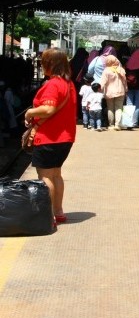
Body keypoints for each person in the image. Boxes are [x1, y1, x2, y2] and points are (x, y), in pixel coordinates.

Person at [23, 48, 77, 226]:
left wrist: (30, 112)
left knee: (45, 177)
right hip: (65, 137)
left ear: (49, 64)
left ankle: (49, 217)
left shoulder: (53, 84)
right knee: (56, 175)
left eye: (42, 62)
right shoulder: (68, 83)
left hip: (50, 137)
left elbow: (48, 109)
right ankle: (58, 212)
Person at [100, 55, 128, 130]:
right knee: (119, 108)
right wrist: (126, 89)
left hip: (109, 92)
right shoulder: (121, 69)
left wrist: (100, 91)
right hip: (120, 91)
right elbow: (125, 81)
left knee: (110, 108)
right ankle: (117, 124)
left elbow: (103, 82)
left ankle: (111, 125)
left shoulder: (106, 70)